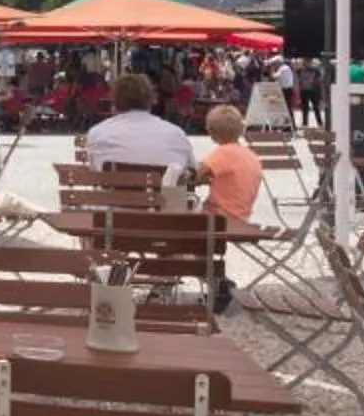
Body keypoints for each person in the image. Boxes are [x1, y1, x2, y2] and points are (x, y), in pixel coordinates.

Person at [193, 104, 261, 312]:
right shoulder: (249, 155)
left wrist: (194, 178)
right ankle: (217, 281)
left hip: (219, 217)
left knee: (177, 229)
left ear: (212, 133)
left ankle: (217, 282)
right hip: (240, 216)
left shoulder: (223, 153)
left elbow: (196, 173)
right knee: (192, 237)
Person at [82, 71, 194, 179]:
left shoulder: (97, 133)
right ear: (151, 100)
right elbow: (191, 170)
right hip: (164, 192)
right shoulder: (176, 134)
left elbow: (95, 170)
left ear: (114, 101)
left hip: (113, 191)